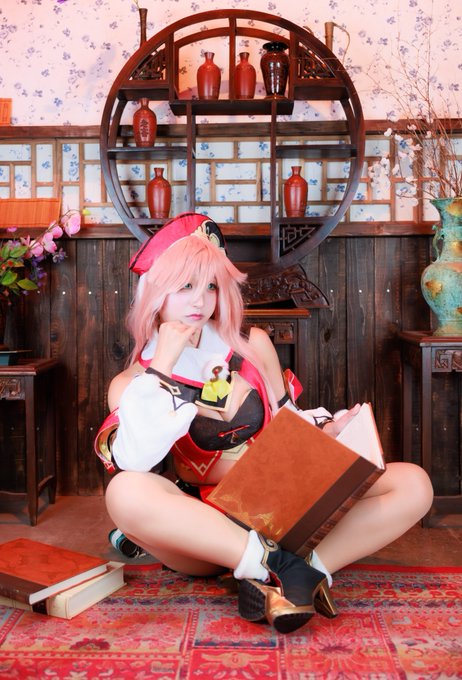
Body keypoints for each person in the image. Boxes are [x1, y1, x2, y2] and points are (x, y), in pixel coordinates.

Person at [94, 212, 433, 634]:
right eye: (185, 286)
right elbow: (136, 460)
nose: (200, 301)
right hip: (209, 528)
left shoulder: (252, 346)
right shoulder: (130, 383)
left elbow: (287, 423)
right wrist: (161, 366)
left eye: (211, 286)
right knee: (125, 492)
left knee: (414, 483)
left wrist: (330, 433)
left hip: (282, 503)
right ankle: (275, 565)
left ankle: (295, 573)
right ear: (155, 293)